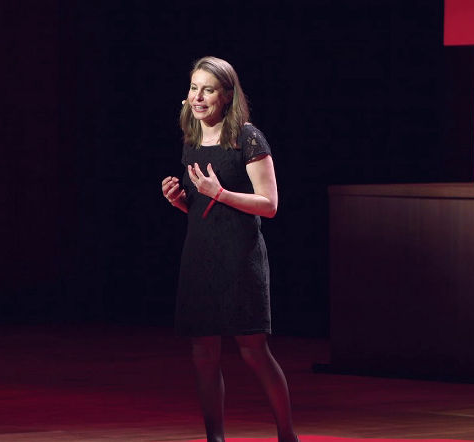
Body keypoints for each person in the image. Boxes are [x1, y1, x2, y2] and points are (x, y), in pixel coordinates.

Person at [161, 56, 298, 442]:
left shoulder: (247, 137)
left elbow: (269, 205)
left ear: (227, 96)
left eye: (208, 89)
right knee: (202, 355)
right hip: (199, 255)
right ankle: (214, 439)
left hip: (240, 256)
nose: (198, 97)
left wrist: (219, 192)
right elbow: (205, 209)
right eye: (193, 88)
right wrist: (179, 201)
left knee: (253, 351)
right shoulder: (192, 140)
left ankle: (287, 435)